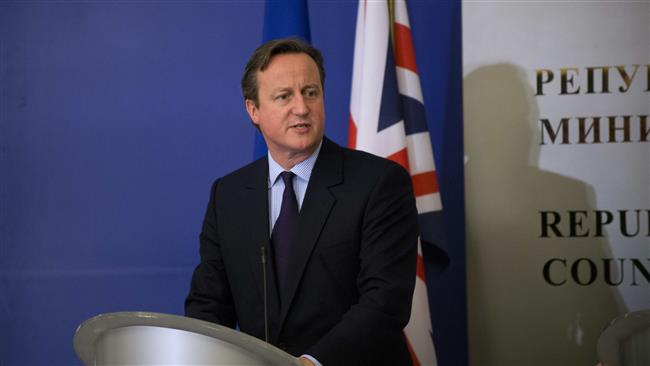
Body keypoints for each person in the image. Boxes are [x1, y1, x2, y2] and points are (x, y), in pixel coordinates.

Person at [185, 38, 418, 366]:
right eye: (284, 96)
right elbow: (209, 305)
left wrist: (309, 363)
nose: (302, 108)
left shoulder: (379, 183)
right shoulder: (229, 195)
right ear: (253, 110)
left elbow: (384, 302)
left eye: (311, 92)